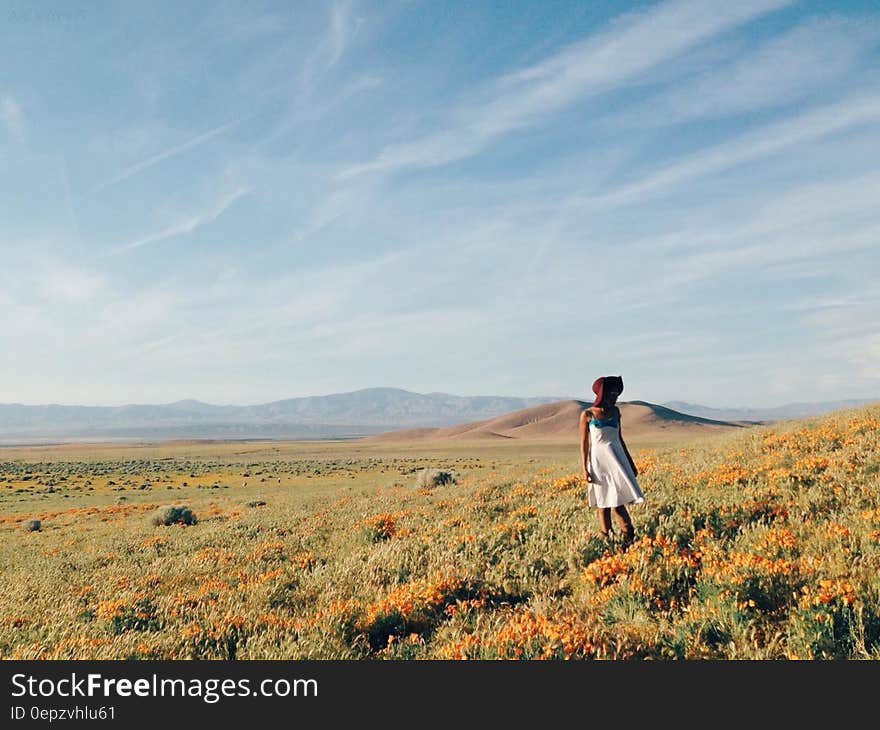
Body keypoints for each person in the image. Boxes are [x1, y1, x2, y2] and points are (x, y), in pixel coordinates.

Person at [579, 375, 644, 548]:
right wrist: (585, 468)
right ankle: (607, 539)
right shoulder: (587, 415)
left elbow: (620, 438)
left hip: (616, 459)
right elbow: (584, 444)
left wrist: (630, 462)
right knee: (603, 503)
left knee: (616, 502)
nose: (615, 397)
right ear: (602, 394)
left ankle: (629, 535)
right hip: (598, 462)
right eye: (611, 393)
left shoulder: (616, 412)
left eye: (616, 394)